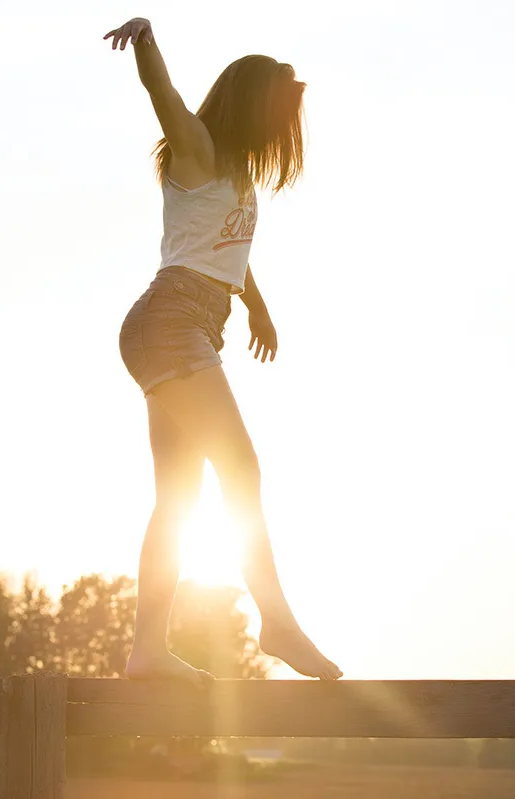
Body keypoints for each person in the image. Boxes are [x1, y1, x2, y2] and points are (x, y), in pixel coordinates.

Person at [105, 16, 342, 685]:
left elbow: (228, 251)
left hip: (186, 326)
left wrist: (256, 304)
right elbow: (164, 96)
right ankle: (278, 620)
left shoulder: (234, 174)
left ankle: (146, 650)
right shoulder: (199, 148)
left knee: (177, 497)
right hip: (170, 320)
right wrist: (147, 42)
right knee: (242, 466)